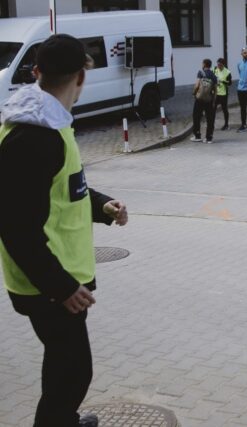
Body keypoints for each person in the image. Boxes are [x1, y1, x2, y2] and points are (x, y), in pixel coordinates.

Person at [0, 34, 129, 427]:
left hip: (57, 279)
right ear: (82, 76)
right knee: (71, 372)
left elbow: (66, 189)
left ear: (36, 72)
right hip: (49, 285)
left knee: (64, 367)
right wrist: (61, 287)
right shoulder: (35, 135)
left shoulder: (48, 123)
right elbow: (15, 225)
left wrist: (102, 205)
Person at [191, 58, 217, 143]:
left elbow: (197, 85)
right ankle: (209, 137)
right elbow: (215, 90)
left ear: (204, 64)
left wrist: (194, 93)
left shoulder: (201, 73)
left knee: (196, 116)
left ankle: (197, 135)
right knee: (210, 118)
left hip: (200, 99)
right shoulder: (213, 75)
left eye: (202, 63)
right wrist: (213, 101)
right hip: (209, 100)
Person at [213, 57, 232, 130]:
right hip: (216, 93)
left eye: (220, 65)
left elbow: (230, 83)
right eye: (218, 65)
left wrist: (222, 81)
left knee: (224, 109)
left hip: (223, 94)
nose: (218, 66)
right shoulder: (215, 69)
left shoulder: (227, 72)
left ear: (223, 65)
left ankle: (226, 124)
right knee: (213, 109)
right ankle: (212, 123)